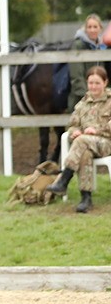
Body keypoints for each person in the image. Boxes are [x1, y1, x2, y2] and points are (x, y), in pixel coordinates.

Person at [46, 65, 111, 213]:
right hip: (86, 144)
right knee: (84, 152)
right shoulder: (82, 104)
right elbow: (73, 125)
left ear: (105, 82)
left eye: (97, 83)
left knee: (81, 141)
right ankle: (86, 199)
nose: (93, 86)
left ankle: (64, 179)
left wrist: (96, 130)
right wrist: (74, 132)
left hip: (107, 143)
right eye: (90, 83)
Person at [66, 14, 108, 111]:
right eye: (89, 27)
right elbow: (76, 78)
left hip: (99, 100)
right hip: (81, 101)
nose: (92, 30)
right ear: (85, 29)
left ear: (100, 29)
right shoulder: (78, 46)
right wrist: (89, 98)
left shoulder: (101, 47)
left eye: (95, 27)